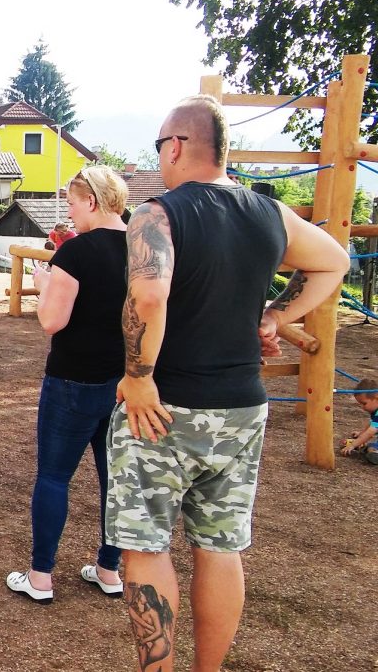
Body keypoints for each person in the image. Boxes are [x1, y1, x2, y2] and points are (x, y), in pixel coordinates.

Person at [108, 94, 349, 671]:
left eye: (159, 145)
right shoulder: (270, 213)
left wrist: (138, 377)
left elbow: (149, 296)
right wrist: (276, 316)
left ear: (176, 146)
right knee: (220, 547)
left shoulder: (156, 215)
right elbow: (333, 262)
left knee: (145, 547)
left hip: (163, 409)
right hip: (243, 407)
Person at [5, 166, 129, 605]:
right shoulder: (146, 248)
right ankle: (109, 569)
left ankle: (41, 576)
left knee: (54, 477)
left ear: (91, 201)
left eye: (73, 203)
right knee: (116, 479)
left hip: (73, 379)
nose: (70, 212)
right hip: (124, 381)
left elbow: (51, 320)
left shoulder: (77, 252)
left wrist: (43, 284)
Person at [339, 379, 378, 463]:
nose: (362, 407)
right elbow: (372, 424)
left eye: (364, 403)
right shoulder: (375, 412)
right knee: (370, 446)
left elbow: (370, 432)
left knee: (372, 447)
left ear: (376, 397)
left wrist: (352, 446)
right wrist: (361, 434)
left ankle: (374, 453)